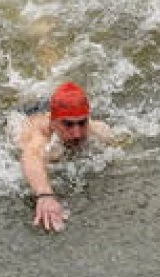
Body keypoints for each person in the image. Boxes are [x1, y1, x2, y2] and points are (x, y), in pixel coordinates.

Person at [16, 82, 116, 233]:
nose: (77, 134)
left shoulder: (99, 131)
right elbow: (31, 157)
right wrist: (45, 195)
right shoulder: (39, 136)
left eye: (82, 123)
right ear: (53, 122)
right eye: (68, 125)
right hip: (26, 112)